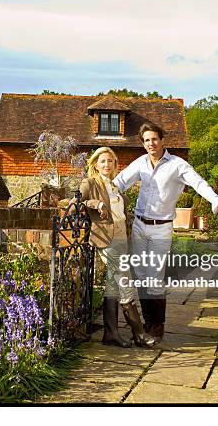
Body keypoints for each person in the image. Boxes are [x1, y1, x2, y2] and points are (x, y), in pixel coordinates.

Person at [113, 123, 218, 341]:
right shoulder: (141, 163)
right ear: (143, 144)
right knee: (141, 276)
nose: (151, 143)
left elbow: (199, 184)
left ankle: (157, 326)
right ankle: (148, 323)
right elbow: (119, 183)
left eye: (154, 139)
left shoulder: (177, 165)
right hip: (140, 225)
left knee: (154, 275)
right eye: (146, 140)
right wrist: (94, 193)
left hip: (161, 228)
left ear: (162, 141)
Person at [78, 147, 157, 349]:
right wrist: (96, 204)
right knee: (125, 282)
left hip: (122, 237)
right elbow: (79, 202)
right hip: (106, 238)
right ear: (95, 163)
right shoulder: (90, 183)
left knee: (113, 286)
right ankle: (139, 333)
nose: (107, 165)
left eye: (110, 161)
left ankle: (110, 334)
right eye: (103, 161)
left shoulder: (114, 185)